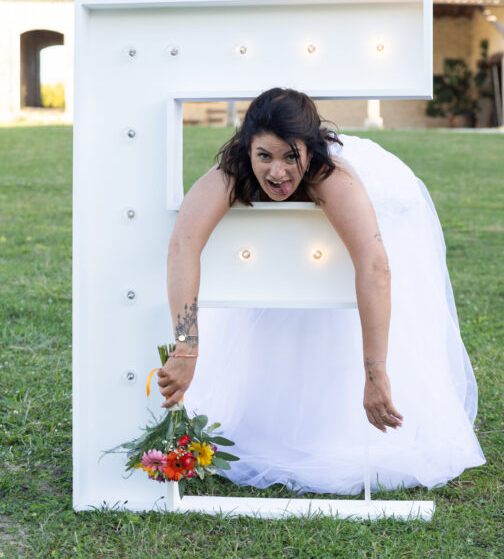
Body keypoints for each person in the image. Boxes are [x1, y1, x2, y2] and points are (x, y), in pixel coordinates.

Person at [157, 87, 485, 494]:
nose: (277, 172)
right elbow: (182, 247)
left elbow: (375, 266)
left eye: (290, 156)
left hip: (372, 206)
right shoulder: (231, 172)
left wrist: (375, 372)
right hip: (266, 250)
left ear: (310, 151)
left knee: (339, 282)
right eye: (264, 156)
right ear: (247, 150)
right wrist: (187, 347)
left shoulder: (334, 178)